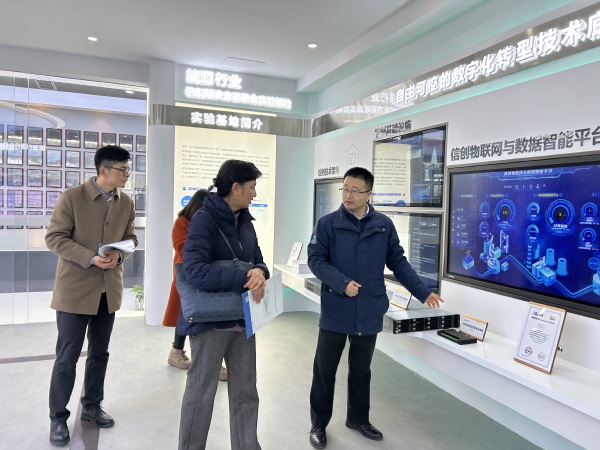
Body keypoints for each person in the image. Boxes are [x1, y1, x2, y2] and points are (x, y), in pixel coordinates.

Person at [306, 167, 443, 449]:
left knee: (361, 370)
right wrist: (341, 282)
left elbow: (398, 262)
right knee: (324, 370)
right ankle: (318, 424)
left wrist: (423, 291)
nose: (348, 195)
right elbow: (316, 260)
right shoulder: (328, 224)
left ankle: (358, 419)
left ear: (369, 194)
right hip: (336, 309)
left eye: (355, 190)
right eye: (345, 189)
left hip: (369, 309)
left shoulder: (383, 225)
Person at [45, 145, 137, 447]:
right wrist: (90, 257)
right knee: (67, 356)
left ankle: (92, 406)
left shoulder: (126, 202)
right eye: (122, 169)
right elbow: (54, 238)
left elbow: (131, 238)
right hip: (74, 291)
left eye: (128, 169)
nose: (127, 174)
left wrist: (119, 256)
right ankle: (58, 418)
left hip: (107, 291)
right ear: (103, 170)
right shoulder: (72, 198)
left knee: (100, 353)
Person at [177, 159, 269, 450]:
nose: (255, 193)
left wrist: (260, 272)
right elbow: (194, 271)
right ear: (236, 187)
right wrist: (243, 276)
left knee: (246, 392)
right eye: (252, 187)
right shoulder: (204, 219)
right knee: (201, 393)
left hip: (243, 318)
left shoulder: (246, 221)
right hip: (211, 324)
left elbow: (258, 260)